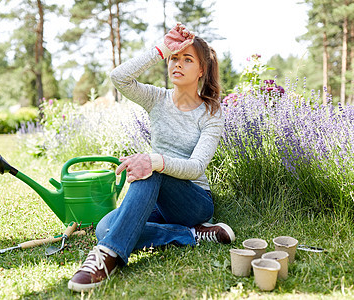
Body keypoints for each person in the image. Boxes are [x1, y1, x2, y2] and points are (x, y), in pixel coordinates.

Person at [68, 23, 235, 292]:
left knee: (150, 168)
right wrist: (161, 48)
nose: (177, 64)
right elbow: (119, 77)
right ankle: (193, 235)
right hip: (157, 200)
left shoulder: (211, 112)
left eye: (187, 59)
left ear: (202, 70)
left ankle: (106, 258)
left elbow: (196, 167)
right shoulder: (157, 99)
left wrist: (154, 161)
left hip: (193, 201)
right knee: (105, 228)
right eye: (174, 58)